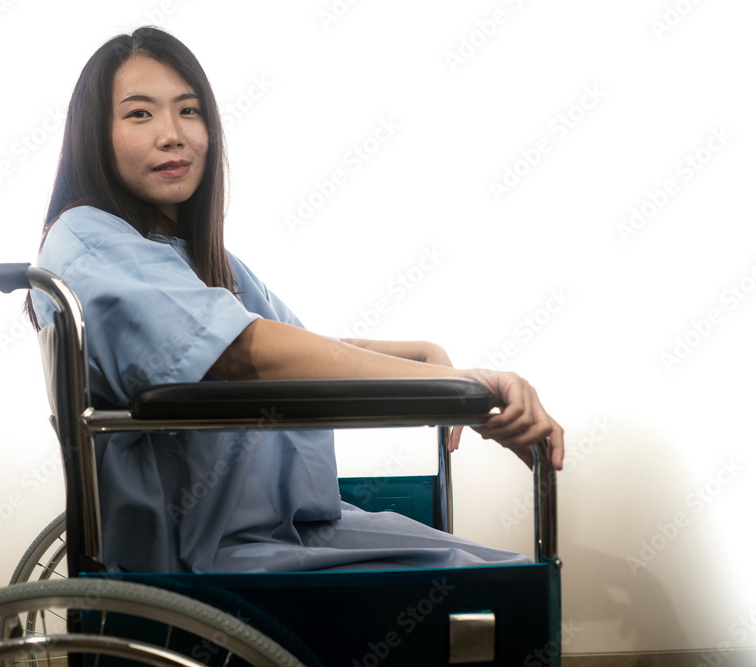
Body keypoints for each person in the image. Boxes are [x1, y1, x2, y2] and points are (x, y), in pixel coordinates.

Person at [28, 26, 564, 574]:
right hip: (203, 551)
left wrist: (420, 357)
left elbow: (292, 346)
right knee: (499, 589)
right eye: (140, 114)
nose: (173, 134)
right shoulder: (90, 239)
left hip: (274, 527)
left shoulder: (184, 254)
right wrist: (459, 390)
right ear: (94, 134)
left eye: (189, 111)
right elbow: (243, 351)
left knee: (503, 568)